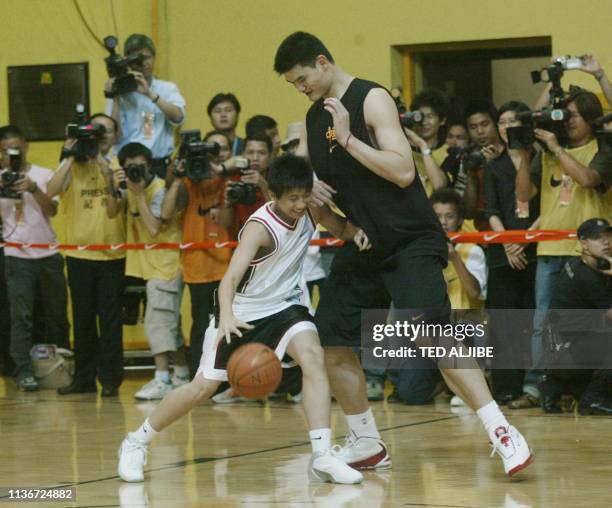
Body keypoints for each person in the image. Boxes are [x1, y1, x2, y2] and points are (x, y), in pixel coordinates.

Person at [274, 31, 532, 476]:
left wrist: (352, 140)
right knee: (331, 339)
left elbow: (402, 171)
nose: (302, 89)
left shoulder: (371, 99)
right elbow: (323, 205)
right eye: (293, 85)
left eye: (302, 79)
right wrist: (337, 219)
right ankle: (367, 442)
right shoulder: (315, 120)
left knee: (432, 335)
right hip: (366, 244)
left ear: (322, 62)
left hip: (411, 238)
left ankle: (503, 432)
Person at [117, 154, 370, 484]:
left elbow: (339, 227)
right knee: (202, 387)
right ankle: (136, 441)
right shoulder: (258, 228)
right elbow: (230, 279)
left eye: (304, 196)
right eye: (292, 198)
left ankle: (322, 455)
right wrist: (227, 317)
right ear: (273, 195)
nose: (300, 204)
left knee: (313, 357)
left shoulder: (311, 207)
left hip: (286, 306)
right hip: (243, 311)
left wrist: (358, 232)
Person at [515, 88, 612, 401]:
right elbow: (524, 196)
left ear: (591, 117)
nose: (568, 121)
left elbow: (587, 179)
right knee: (543, 323)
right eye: (564, 115)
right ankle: (537, 387)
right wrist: (525, 153)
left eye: (576, 115)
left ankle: (582, 388)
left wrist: (556, 148)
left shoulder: (603, 147)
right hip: (549, 251)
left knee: (592, 324)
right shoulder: (546, 152)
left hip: (590, 254)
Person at [48, 113, 127, 397]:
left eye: (106, 131)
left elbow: (114, 209)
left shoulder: (118, 164)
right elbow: (51, 190)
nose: (100, 136)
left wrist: (103, 167)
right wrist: (70, 155)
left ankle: (110, 381)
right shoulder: (72, 164)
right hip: (79, 255)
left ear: (115, 135)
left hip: (112, 255)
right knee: (82, 321)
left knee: (110, 322)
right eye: (95, 131)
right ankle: (83, 379)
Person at [388, 188, 487, 405]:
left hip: (463, 325)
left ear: (459, 219)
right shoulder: (421, 251)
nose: (443, 222)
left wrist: (454, 259)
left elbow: (474, 293)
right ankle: (438, 380)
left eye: (449, 216)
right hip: (428, 329)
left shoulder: (473, 249)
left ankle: (467, 381)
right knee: (411, 394)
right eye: (437, 216)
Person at [107, 143, 189, 399]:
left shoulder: (159, 190)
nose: (135, 171)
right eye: (130, 167)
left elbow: (154, 228)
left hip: (165, 265)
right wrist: (113, 185)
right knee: (168, 324)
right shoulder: (128, 188)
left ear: (150, 165)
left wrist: (139, 194)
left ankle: (162, 378)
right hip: (147, 266)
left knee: (157, 323)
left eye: (140, 166)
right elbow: (111, 212)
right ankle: (183, 373)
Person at [0, 125, 69, 391]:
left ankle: (61, 366)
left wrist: (32, 189)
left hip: (48, 252)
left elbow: (52, 209)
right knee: (21, 317)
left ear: (26, 146)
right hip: (15, 254)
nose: (10, 155)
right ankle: (23, 371)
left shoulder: (42, 175)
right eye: (4, 151)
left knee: (56, 314)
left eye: (15, 148)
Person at [161, 131, 234, 378]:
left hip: (227, 265)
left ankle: (226, 379)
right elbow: (166, 213)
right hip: (197, 266)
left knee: (228, 325)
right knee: (201, 325)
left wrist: (220, 171)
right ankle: (199, 376)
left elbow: (226, 220)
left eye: (221, 150)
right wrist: (178, 176)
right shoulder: (188, 180)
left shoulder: (229, 180)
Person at [484, 101, 540, 407]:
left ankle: (532, 388)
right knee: (503, 323)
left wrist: (526, 241)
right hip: (502, 252)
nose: (507, 128)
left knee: (532, 319)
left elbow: (547, 208)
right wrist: (507, 243)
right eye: (502, 122)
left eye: (513, 122)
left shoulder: (539, 161)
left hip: (534, 250)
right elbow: (491, 210)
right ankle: (505, 387)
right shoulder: (494, 165)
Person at [540, 218, 612, 414]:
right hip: (567, 352)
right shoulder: (587, 277)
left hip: (562, 349)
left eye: (608, 236)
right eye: (598, 238)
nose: (606, 242)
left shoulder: (577, 263)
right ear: (583, 243)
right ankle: (593, 399)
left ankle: (555, 385)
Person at [106, 34, 186, 179]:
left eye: (148, 57)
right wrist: (115, 98)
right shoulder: (120, 93)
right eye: (138, 59)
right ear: (128, 62)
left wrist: (150, 94)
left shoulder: (167, 88)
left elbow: (179, 117)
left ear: (154, 58)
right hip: (128, 167)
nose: (144, 63)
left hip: (159, 165)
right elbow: (114, 137)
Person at [404, 89, 450, 196]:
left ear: (442, 120)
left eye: (430, 116)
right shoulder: (405, 150)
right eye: (420, 116)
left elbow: (439, 185)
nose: (424, 122)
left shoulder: (450, 152)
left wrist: (422, 146)